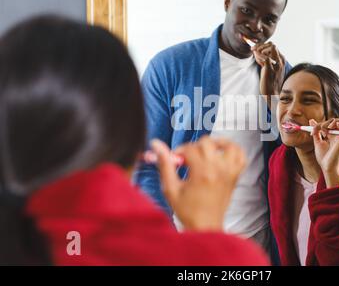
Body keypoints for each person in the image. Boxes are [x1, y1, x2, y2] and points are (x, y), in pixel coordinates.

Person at [0, 15, 269, 266]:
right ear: (134, 129)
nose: (256, 25)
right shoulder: (225, 259)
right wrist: (208, 238)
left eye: (269, 18)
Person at [135, 0, 291, 260]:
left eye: (269, 19)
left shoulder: (286, 76)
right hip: (182, 238)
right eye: (246, 10)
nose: (256, 25)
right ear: (228, 3)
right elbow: (148, 163)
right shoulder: (170, 66)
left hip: (255, 241)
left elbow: (292, 164)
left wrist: (274, 95)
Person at [264, 63, 339, 266]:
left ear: (333, 115)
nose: (292, 110)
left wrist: (331, 173)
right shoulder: (278, 164)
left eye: (309, 100)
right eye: (285, 99)